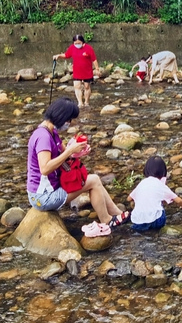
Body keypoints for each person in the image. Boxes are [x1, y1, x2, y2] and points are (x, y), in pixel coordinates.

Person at [26, 97, 128, 235]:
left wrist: (77, 153)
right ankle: (107, 219)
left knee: (94, 180)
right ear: (61, 117)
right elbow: (45, 168)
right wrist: (69, 151)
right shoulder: (43, 137)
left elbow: (64, 156)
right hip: (43, 197)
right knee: (93, 180)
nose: (69, 123)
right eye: (69, 120)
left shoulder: (52, 132)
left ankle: (117, 214)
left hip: (51, 188)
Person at [127, 156, 182, 232]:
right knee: (160, 208)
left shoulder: (142, 183)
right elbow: (178, 200)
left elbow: (129, 198)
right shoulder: (160, 185)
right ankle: (156, 231)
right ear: (163, 171)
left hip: (137, 222)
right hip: (156, 221)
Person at [53, 35, 99, 107]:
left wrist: (97, 69)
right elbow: (66, 55)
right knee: (77, 86)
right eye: (75, 43)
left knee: (87, 86)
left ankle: (86, 102)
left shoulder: (89, 48)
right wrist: (58, 56)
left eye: (79, 43)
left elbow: (94, 59)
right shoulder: (72, 48)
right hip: (77, 71)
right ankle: (80, 103)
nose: (77, 45)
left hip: (87, 71)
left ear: (83, 42)